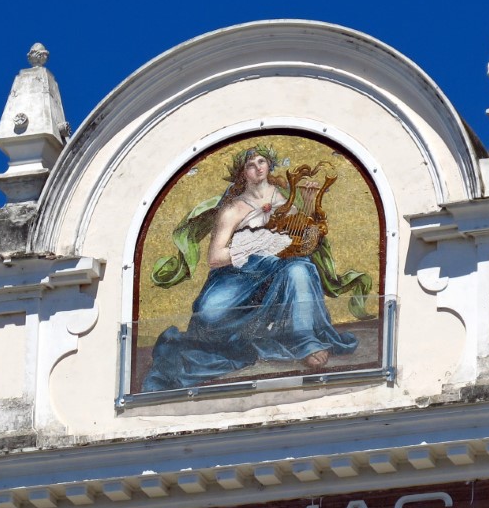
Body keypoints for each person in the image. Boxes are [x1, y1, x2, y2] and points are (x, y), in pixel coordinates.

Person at [142, 147, 359, 391]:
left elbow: (301, 240)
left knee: (299, 269)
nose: (258, 168)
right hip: (240, 274)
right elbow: (215, 257)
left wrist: (309, 202)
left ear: (269, 165)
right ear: (242, 173)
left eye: (262, 162)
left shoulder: (285, 200)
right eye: (251, 165)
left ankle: (305, 340)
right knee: (209, 313)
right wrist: (254, 244)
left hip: (280, 269)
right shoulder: (233, 209)